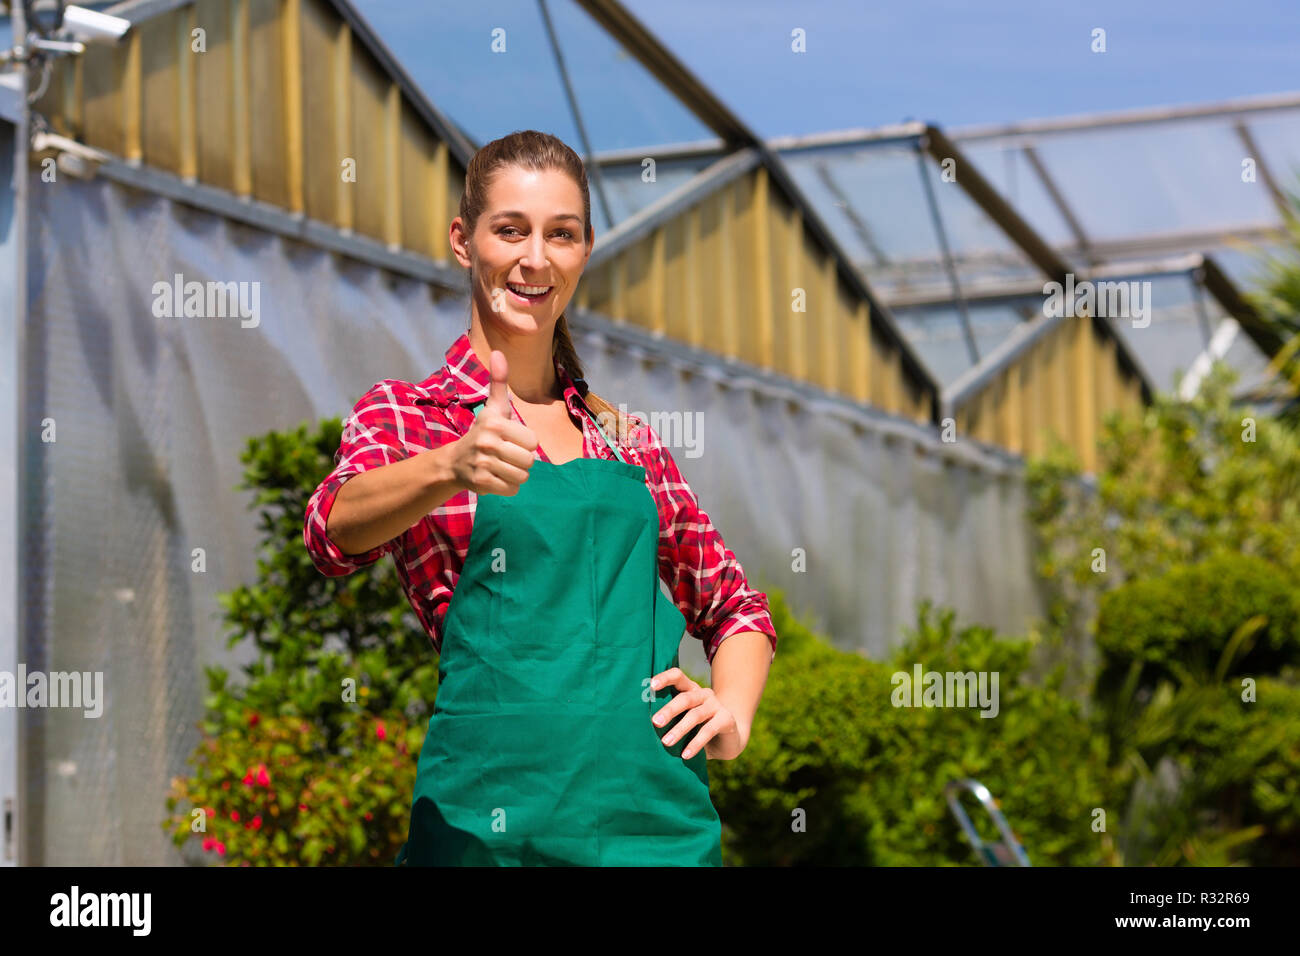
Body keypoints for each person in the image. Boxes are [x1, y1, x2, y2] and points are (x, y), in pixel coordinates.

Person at [303, 130, 777, 866]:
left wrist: (732, 715)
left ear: (585, 250)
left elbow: (734, 604)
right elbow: (330, 532)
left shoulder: (628, 441)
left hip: (652, 833)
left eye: (561, 234)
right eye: (510, 231)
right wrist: (448, 467)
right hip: (482, 834)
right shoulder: (410, 416)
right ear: (464, 242)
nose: (534, 258)